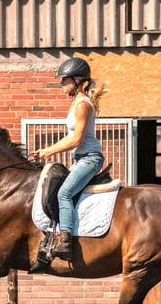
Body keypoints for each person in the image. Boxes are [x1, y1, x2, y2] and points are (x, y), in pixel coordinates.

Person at [35, 57, 107, 262]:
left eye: (65, 80)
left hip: (90, 159)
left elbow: (76, 139)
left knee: (64, 193)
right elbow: (70, 138)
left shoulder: (83, 104)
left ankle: (65, 240)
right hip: (80, 159)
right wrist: (46, 150)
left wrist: (49, 151)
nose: (61, 84)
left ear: (77, 80)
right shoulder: (76, 102)